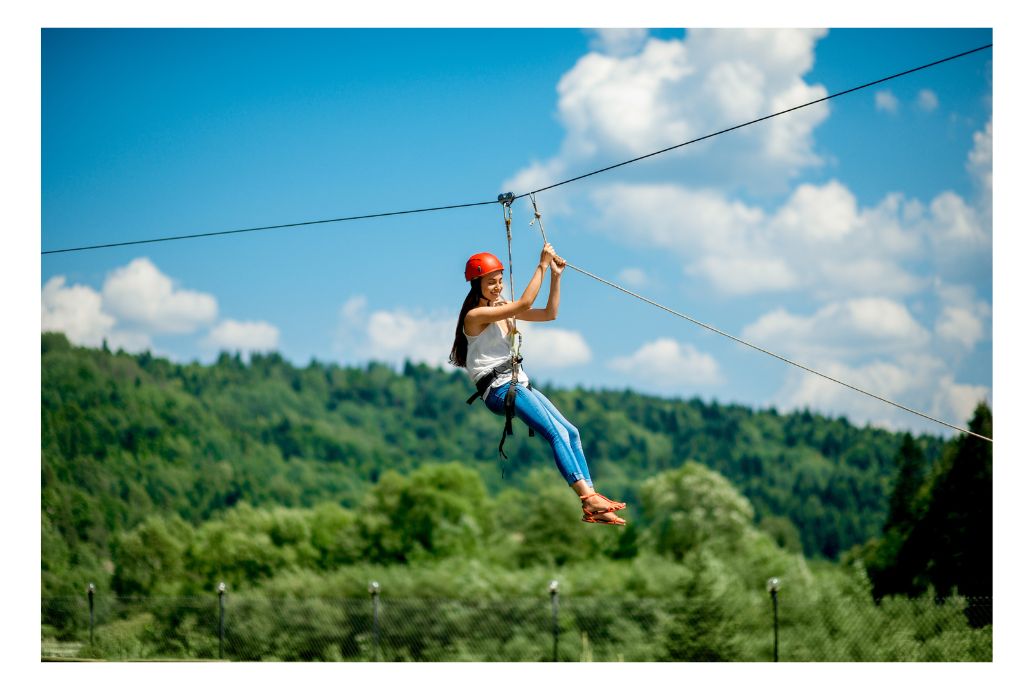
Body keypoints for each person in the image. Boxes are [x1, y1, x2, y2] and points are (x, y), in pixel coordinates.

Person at [449, 243, 627, 525]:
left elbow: (549, 313)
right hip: (500, 389)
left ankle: (593, 501)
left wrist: (555, 276)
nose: (497, 287)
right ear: (476, 285)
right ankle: (586, 498)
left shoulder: (502, 308)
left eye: (499, 281)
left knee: (571, 432)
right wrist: (541, 265)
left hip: (517, 383)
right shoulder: (475, 316)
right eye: (490, 283)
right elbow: (524, 304)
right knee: (554, 433)